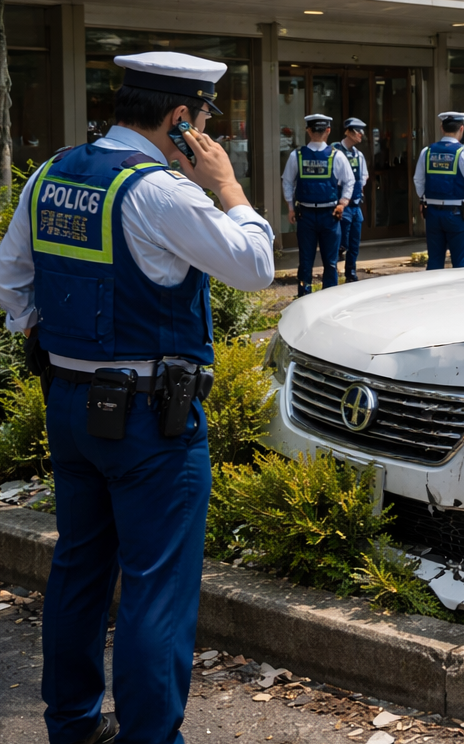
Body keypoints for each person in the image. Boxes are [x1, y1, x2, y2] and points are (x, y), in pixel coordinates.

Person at [0, 51, 274, 744]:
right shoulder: (162, 192)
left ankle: (72, 726)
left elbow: (12, 280)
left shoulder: (51, 173)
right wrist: (229, 188)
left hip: (70, 406)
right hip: (154, 422)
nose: (209, 131)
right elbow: (255, 266)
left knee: (78, 572)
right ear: (180, 119)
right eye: (205, 118)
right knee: (156, 586)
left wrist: (54, 338)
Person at [282, 113, 354, 295]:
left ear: (308, 130)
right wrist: (343, 203)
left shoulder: (296, 155)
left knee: (305, 260)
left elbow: (287, 182)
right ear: (328, 131)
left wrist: (291, 207)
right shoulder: (336, 156)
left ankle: (304, 296)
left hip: (307, 215)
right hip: (329, 215)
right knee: (330, 261)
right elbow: (350, 181)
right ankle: (329, 298)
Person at [413, 111, 464, 269]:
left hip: (432, 213)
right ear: (462, 129)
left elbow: (418, 179)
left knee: (434, 261)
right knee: (460, 263)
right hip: (457, 214)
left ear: (441, 128)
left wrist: (423, 198)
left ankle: (433, 293)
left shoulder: (427, 152)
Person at [332, 117, 369, 282]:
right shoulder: (335, 151)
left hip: (355, 204)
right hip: (341, 204)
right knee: (342, 241)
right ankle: (333, 270)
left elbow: (364, 175)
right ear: (349, 132)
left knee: (354, 242)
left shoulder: (358, 155)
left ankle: (351, 274)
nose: (361, 135)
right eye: (358, 131)